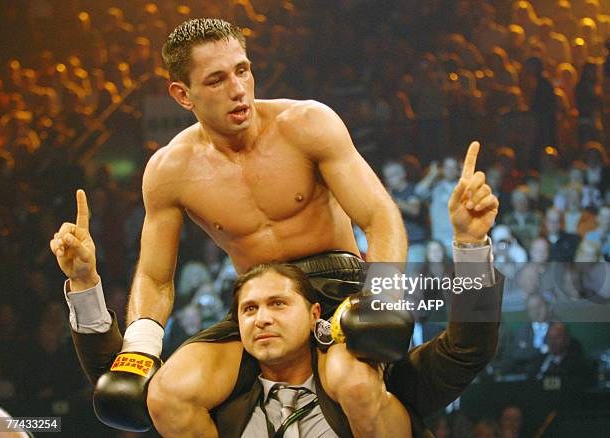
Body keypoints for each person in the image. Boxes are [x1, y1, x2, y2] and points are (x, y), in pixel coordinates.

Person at [50, 18, 502, 437]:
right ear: (182, 95)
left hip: (338, 288)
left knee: (355, 383)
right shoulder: (170, 170)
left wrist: (388, 293)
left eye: (242, 71)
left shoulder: (306, 123)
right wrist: (139, 351)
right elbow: (154, 278)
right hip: (257, 296)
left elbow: (379, 215)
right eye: (216, 79)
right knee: (166, 393)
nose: (238, 89)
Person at [216, 263, 412, 437]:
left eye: (278, 304)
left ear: (314, 315)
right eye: (250, 308)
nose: (262, 319)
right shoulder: (221, 417)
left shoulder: (361, 392)